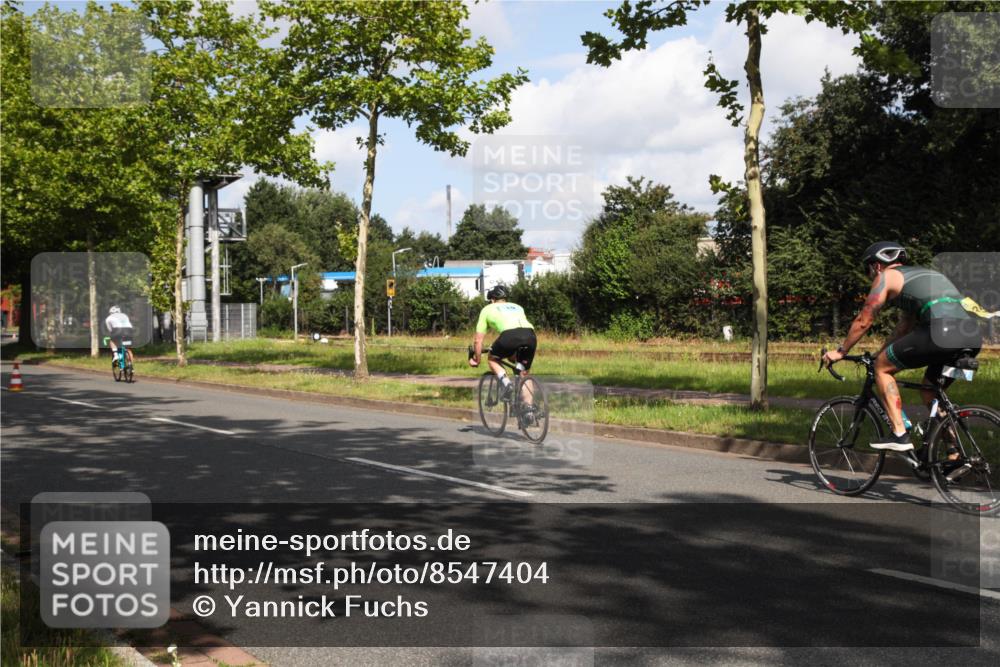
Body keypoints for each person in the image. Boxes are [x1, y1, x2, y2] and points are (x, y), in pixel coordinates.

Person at [822, 242, 982, 452]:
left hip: (941, 330)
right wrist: (882, 352)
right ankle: (954, 454)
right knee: (930, 392)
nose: (869, 275)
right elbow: (905, 327)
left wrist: (841, 351)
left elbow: (864, 320)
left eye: (867, 269)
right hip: (972, 335)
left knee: (882, 368)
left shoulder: (886, 276)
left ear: (876, 266)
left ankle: (900, 434)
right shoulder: (923, 275)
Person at [469, 284, 536, 399]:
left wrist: (477, 359)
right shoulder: (518, 307)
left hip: (510, 336)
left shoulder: (487, 309)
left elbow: (478, 340)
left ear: (492, 300)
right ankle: (529, 411)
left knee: (492, 358)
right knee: (523, 373)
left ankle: (506, 384)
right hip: (530, 335)